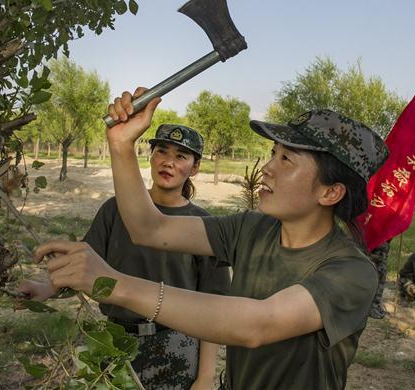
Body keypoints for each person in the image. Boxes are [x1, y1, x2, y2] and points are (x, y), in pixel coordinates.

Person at [34, 92, 389, 389]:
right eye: (272, 154)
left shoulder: (352, 273)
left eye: (286, 159)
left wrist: (114, 285)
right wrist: (122, 146)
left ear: (330, 193)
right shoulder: (251, 229)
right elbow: (150, 228)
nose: (267, 167)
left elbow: (256, 325)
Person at [19, 123, 230, 390]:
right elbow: (84, 269)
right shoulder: (115, 210)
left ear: (195, 168)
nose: (168, 162)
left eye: (181, 156)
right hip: (114, 341)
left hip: (177, 347)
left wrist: (205, 378)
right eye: (162, 151)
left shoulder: (204, 226)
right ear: (150, 156)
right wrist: (44, 289)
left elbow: (213, 309)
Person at [367, 241, 390, 319]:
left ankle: (376, 305)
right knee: (373, 285)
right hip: (373, 263)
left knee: (380, 285)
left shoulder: (385, 236)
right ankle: (371, 308)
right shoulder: (375, 235)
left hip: (381, 263)